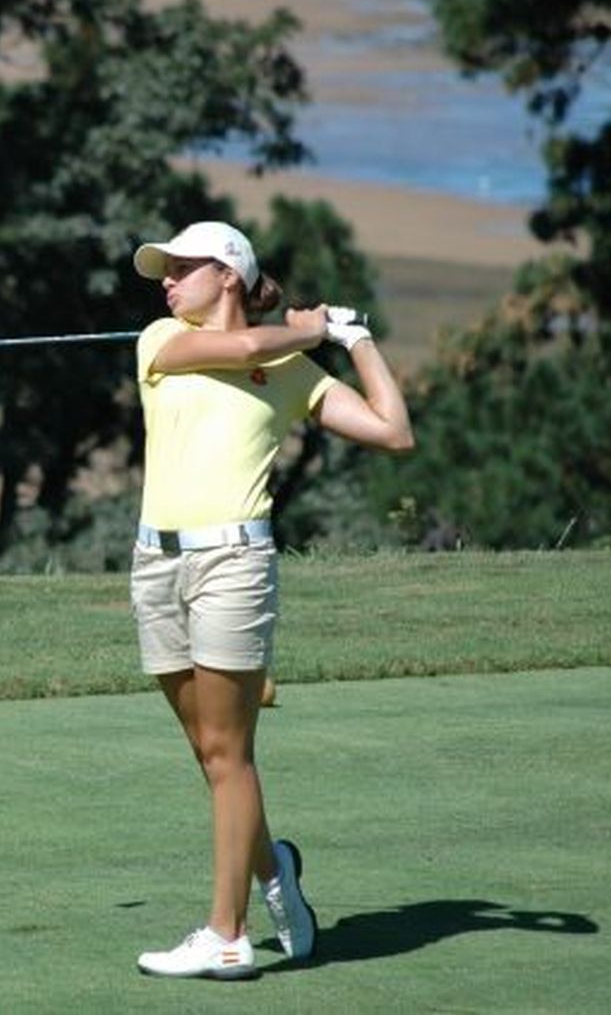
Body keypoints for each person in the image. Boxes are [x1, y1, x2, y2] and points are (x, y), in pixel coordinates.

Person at [127, 220, 414, 980]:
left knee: (229, 753)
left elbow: (393, 431)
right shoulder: (161, 339)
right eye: (165, 269)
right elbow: (244, 347)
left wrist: (354, 338)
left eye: (183, 267)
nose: (167, 280)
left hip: (233, 563)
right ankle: (274, 868)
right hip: (155, 565)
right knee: (210, 752)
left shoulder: (291, 369)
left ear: (228, 273)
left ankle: (227, 933)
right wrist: (309, 330)